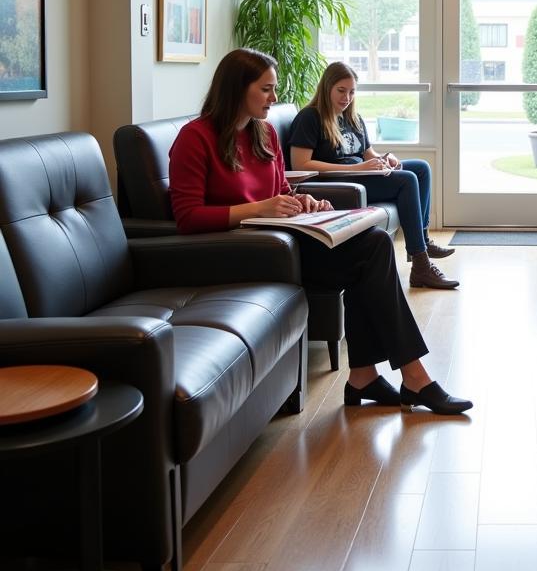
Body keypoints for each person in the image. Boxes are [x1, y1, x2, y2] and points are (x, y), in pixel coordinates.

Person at [168, 48, 472, 415]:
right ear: (237, 89)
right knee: (370, 252)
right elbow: (187, 217)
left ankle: (367, 376)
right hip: (244, 253)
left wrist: (304, 201)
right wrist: (258, 209)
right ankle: (411, 378)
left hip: (283, 240)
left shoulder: (262, 134)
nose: (274, 98)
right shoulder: (195, 138)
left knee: (374, 243)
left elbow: (280, 189)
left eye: (274, 88)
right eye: (266, 89)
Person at [289, 61, 458, 290]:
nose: (346, 97)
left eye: (351, 92)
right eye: (341, 91)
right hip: (337, 182)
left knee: (420, 168)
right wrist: (354, 169)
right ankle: (420, 264)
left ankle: (424, 240)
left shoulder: (352, 118)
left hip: (361, 174)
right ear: (326, 87)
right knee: (407, 180)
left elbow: (368, 153)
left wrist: (386, 159)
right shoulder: (310, 117)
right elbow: (300, 163)